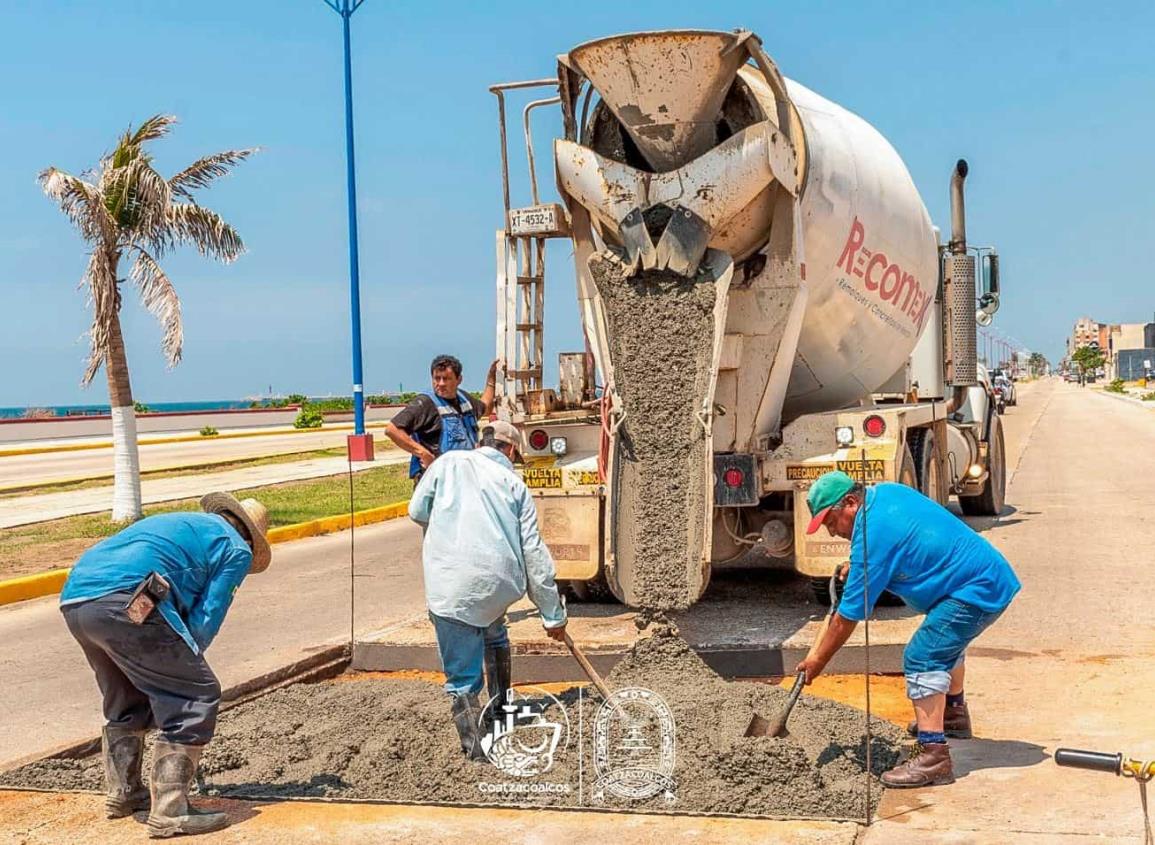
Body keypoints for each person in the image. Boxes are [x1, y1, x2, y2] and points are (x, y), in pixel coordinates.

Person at [59, 493, 272, 838]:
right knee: (196, 693)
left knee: (128, 696)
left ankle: (124, 793)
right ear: (250, 536)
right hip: (127, 597)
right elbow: (207, 616)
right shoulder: (236, 549)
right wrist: (188, 665)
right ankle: (171, 810)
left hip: (77, 599)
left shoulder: (187, 525)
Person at [795, 471, 1020, 788]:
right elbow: (900, 540)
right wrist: (856, 566)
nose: (832, 533)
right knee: (943, 641)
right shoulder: (884, 495)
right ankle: (952, 716)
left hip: (976, 590)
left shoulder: (872, 536)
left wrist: (817, 661)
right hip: (982, 578)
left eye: (831, 522)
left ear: (849, 502)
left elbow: (847, 617)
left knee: (924, 654)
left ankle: (934, 757)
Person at [408, 420, 568, 761]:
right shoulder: (514, 484)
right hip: (499, 587)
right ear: (509, 449)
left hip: (452, 586)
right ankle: (500, 713)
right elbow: (535, 554)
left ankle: (476, 750)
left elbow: (416, 511)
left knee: (463, 674)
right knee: (494, 632)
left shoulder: (446, 463)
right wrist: (552, 614)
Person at [385, 354, 500, 482]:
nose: (440, 383)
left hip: (464, 479)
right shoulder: (425, 404)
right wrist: (423, 453)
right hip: (438, 482)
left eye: (446, 379)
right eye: (436, 378)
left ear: (459, 379)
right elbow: (392, 429)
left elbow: (486, 408)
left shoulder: (464, 400)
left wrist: (491, 379)